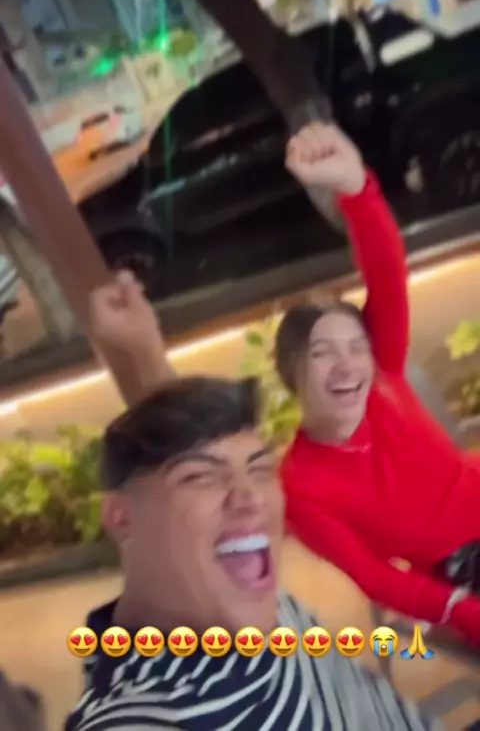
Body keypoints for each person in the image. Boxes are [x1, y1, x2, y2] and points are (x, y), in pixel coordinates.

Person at [66, 373, 442, 731]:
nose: (250, 498)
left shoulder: (269, 607)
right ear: (121, 518)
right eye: (200, 477)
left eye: (261, 470)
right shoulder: (141, 716)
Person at [277, 123, 480, 645]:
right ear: (292, 373)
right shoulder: (302, 486)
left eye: (355, 347)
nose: (347, 366)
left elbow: (387, 270)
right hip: (465, 562)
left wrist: (354, 186)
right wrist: (461, 611)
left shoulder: (382, 372)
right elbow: (375, 578)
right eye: (323, 353)